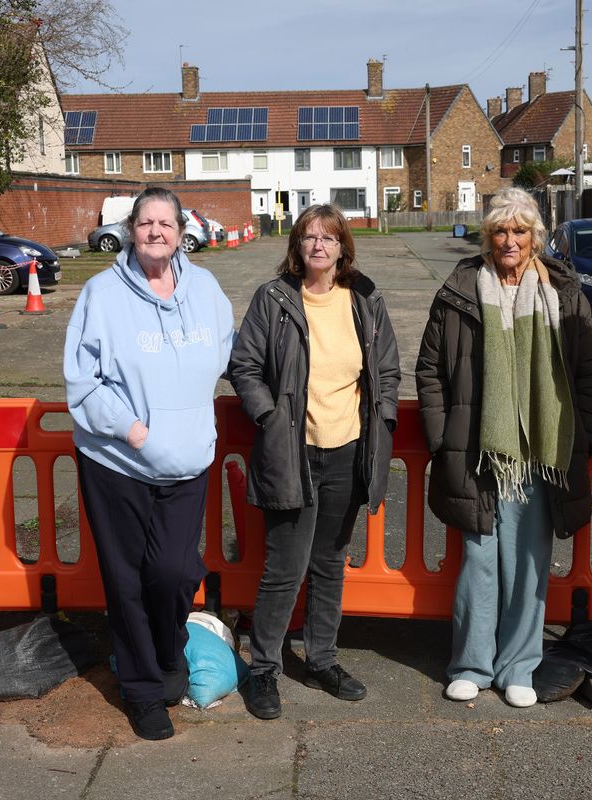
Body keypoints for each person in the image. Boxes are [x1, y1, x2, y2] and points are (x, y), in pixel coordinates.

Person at [415, 187, 592, 708]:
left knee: (529, 561)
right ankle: (471, 664)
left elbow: (587, 371)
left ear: (536, 237)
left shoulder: (564, 292)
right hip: (477, 449)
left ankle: (520, 665)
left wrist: (583, 436)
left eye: (520, 230)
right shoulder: (460, 288)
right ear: (487, 236)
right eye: (501, 230)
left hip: (541, 452)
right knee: (478, 559)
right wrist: (440, 438)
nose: (510, 240)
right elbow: (430, 370)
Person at [63, 187, 234, 741]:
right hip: (118, 463)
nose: (156, 232)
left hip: (188, 462)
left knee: (174, 572)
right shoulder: (101, 294)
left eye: (166, 223)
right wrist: (135, 431)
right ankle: (143, 691)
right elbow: (83, 383)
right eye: (146, 223)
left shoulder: (205, 288)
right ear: (132, 230)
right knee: (128, 581)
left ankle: (167, 652)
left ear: (182, 231)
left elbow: (234, 355)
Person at [229, 204, 400, 720]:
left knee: (329, 564)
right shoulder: (275, 299)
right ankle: (263, 669)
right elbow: (244, 366)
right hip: (293, 451)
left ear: (343, 247)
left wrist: (383, 419)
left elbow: (387, 370)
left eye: (329, 238)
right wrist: (269, 417)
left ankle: (322, 659)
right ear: (297, 247)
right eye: (309, 238)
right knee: (284, 567)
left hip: (348, 449)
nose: (319, 246)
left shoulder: (365, 299)